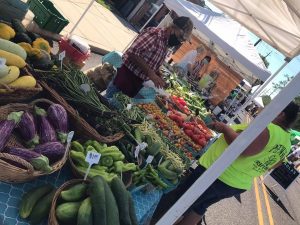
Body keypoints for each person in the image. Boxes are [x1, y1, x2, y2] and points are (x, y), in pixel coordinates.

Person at [151, 101, 299, 225]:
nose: (265, 108)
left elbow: (243, 149)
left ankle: (156, 221)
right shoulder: (285, 140)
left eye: (271, 106)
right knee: (199, 207)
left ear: (281, 114)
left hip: (218, 174)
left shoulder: (269, 129)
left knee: (179, 200)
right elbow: (275, 164)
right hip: (236, 183)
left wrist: (224, 129)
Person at [105, 16, 193, 98]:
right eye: (180, 37)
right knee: (106, 105)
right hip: (125, 78)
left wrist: (158, 75)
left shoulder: (165, 44)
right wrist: (151, 73)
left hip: (136, 84)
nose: (180, 41)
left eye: (183, 40)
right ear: (173, 28)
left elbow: (151, 63)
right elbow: (133, 52)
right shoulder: (155, 35)